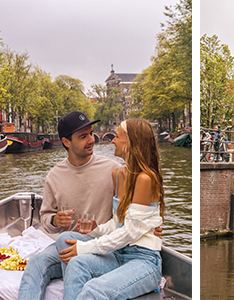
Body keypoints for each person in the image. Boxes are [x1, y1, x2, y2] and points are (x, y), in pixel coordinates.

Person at [57, 119, 165, 299]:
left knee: (94, 290)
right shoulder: (118, 175)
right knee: (69, 249)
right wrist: (96, 230)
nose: (112, 140)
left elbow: (130, 232)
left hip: (143, 260)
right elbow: (118, 224)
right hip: (117, 254)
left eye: (117, 136)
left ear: (131, 142)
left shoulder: (146, 179)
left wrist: (86, 248)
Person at [18, 111, 121, 300]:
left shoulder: (113, 169)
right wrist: (55, 220)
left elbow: (131, 210)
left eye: (91, 133)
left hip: (101, 245)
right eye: (83, 136)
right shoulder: (54, 176)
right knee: (36, 263)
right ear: (66, 142)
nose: (91, 139)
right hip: (67, 246)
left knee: (65, 241)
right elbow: (46, 220)